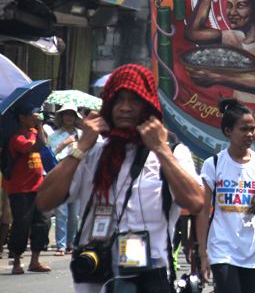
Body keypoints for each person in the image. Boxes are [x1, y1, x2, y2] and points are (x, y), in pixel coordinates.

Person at [36, 64, 204, 292]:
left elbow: (195, 202)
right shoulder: (92, 154)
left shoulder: (172, 154)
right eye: (117, 100)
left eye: (134, 99)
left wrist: (160, 148)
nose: (125, 107)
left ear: (148, 104)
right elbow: (44, 201)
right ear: (108, 104)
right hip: (96, 280)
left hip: (149, 279)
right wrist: (83, 145)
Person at [196, 99, 255, 293]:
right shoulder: (213, 164)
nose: (250, 134)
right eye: (243, 129)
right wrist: (202, 253)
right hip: (222, 249)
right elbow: (203, 211)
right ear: (228, 131)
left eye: (252, 129)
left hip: (254, 250)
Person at [5, 103, 51, 274]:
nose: (36, 116)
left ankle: (35, 261)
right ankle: (16, 262)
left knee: (42, 223)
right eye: (33, 114)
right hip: (21, 189)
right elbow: (34, 148)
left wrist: (39, 129)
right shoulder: (16, 137)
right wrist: (39, 126)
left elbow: (44, 147)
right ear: (22, 118)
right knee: (21, 225)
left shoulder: (35, 133)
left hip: (39, 187)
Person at [47, 102, 83, 256]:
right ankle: (60, 245)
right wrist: (64, 143)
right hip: (60, 175)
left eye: (72, 114)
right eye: (66, 114)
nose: (69, 117)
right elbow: (49, 155)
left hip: (77, 174)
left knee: (74, 214)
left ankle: (71, 243)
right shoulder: (54, 135)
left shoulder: (81, 134)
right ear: (61, 116)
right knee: (61, 213)